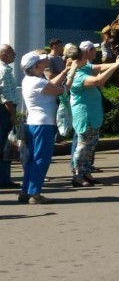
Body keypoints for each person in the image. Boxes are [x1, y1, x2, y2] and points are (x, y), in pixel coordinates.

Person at [18, 51, 73, 203]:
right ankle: (35, 194)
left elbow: (51, 84)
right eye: (41, 62)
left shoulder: (29, 80)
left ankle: (26, 191)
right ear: (35, 66)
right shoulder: (39, 82)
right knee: (41, 159)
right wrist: (72, 71)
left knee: (31, 159)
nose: (45, 62)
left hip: (33, 123)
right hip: (44, 124)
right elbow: (62, 90)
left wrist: (64, 71)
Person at [71, 45, 119, 187]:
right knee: (82, 147)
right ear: (80, 58)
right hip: (84, 116)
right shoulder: (77, 75)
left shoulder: (84, 68)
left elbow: (99, 67)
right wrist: (116, 66)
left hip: (93, 115)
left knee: (91, 146)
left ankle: (86, 172)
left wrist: (115, 62)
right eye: (84, 56)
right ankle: (77, 175)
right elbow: (98, 81)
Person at [0, 44, 19, 189]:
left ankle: (4, 178)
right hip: (5, 112)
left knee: (5, 145)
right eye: (12, 52)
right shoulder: (4, 71)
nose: (15, 54)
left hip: (5, 111)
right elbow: (6, 97)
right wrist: (13, 114)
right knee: (4, 146)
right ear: (4, 55)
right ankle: (3, 179)